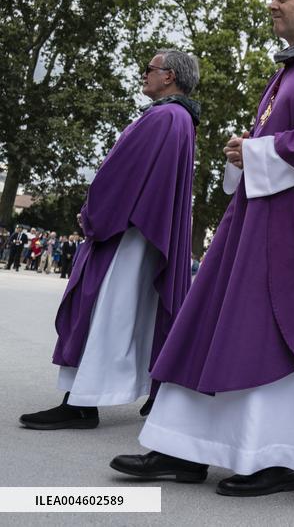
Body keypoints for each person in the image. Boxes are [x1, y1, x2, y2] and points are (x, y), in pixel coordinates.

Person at [111, 0, 294, 497]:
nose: (271, 4)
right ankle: (183, 449)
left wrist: (258, 151)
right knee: (211, 323)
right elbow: (281, 140)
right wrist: (247, 149)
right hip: (256, 221)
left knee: (264, 332)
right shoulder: (287, 72)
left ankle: (277, 455)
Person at [18, 50, 200, 431]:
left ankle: (81, 402)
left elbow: (120, 175)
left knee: (104, 312)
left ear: (169, 76)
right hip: (143, 233)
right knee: (123, 315)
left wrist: (93, 214)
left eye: (149, 69)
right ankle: (97, 396)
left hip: (127, 234)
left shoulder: (164, 117)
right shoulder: (180, 119)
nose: (144, 75)